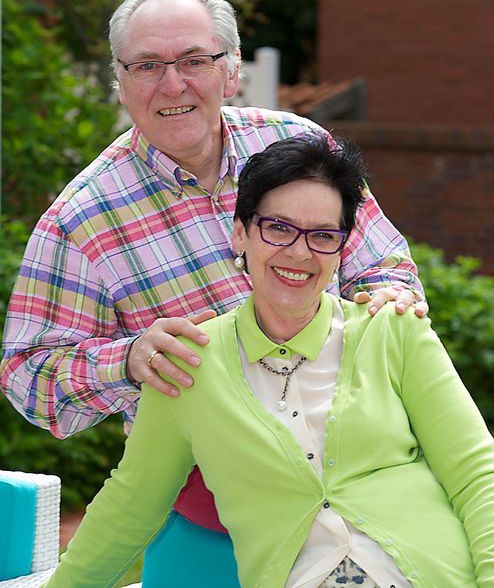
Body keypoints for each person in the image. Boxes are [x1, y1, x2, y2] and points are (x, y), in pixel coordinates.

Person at [1, 0, 427, 586]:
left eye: (194, 61)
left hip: (363, 485)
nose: (172, 85)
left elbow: (388, 268)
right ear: (118, 81)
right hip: (211, 515)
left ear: (231, 72)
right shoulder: (80, 219)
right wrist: (129, 360)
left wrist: (389, 301)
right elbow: (28, 379)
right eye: (147, 65)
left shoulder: (300, 148)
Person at [43, 133, 494, 588]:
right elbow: (131, 505)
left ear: (343, 249)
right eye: (278, 228)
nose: (299, 252)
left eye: (322, 236)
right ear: (240, 233)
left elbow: (476, 474)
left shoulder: (391, 329)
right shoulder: (188, 362)